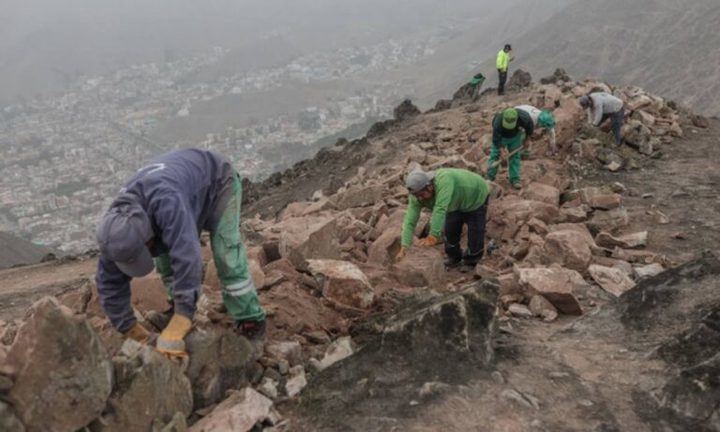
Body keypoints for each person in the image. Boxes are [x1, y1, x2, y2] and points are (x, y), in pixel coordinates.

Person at [95, 148, 266, 359]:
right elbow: (109, 282)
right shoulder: (115, 233)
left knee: (225, 254)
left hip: (218, 181)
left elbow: (187, 256)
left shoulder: (167, 204)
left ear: (147, 235)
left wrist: (183, 318)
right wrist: (129, 327)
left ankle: (251, 319)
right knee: (165, 264)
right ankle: (177, 305)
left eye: (145, 250)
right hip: (183, 193)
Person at [397, 168, 490, 268]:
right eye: (417, 196)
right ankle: (454, 258)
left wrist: (433, 236)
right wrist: (404, 246)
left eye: (422, 195)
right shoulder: (416, 196)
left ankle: (471, 261)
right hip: (454, 203)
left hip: (475, 196)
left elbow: (440, 209)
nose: (420, 198)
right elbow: (410, 221)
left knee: (475, 231)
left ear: (430, 187)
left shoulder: (444, 181)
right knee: (450, 231)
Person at [487, 108, 534, 189]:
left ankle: (515, 179)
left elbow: (530, 126)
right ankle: (490, 176)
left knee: (515, 156)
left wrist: (527, 139)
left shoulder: (524, 117)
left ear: (516, 119)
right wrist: (501, 150)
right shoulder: (497, 121)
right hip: (501, 137)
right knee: (495, 155)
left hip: (515, 136)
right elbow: (495, 139)